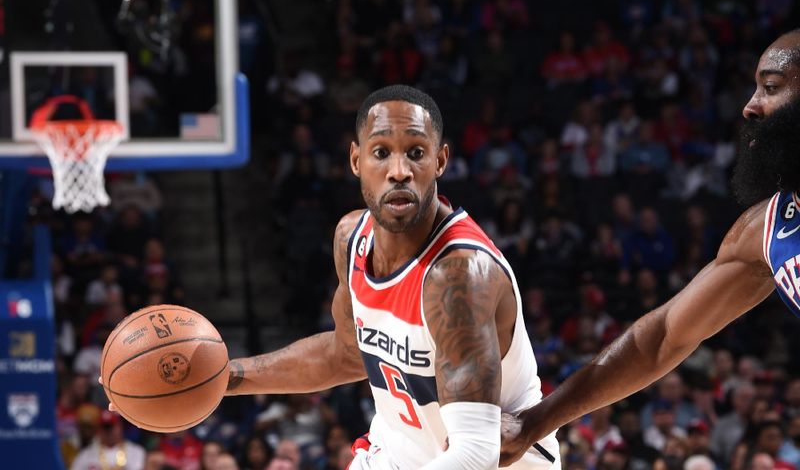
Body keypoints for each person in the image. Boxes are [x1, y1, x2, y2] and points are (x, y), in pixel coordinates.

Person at [499, 28, 800, 465]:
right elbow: (660, 339)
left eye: (771, 88)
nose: (750, 107)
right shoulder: (767, 228)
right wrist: (536, 422)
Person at [226, 85, 560, 469]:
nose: (399, 171)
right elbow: (345, 354)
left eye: (416, 153)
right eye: (381, 152)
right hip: (399, 452)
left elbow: (474, 454)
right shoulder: (351, 238)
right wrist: (228, 378)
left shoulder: (459, 275)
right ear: (356, 159)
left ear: (440, 160)